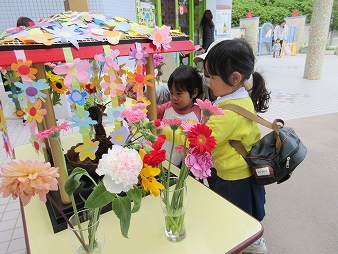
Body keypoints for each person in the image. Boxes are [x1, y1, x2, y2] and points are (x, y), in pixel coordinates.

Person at [204, 38, 271, 254]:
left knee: (234, 218)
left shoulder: (227, 112)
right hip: (245, 172)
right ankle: (254, 242)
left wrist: (169, 129)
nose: (208, 83)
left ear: (234, 78)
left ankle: (252, 245)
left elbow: (201, 139)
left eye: (212, 77)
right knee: (245, 213)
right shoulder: (242, 96)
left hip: (233, 177)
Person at [157, 65, 203, 166]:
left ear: (194, 93)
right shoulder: (167, 107)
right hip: (161, 157)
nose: (174, 98)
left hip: (182, 165)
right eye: (171, 93)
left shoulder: (199, 114)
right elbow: (154, 113)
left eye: (179, 93)